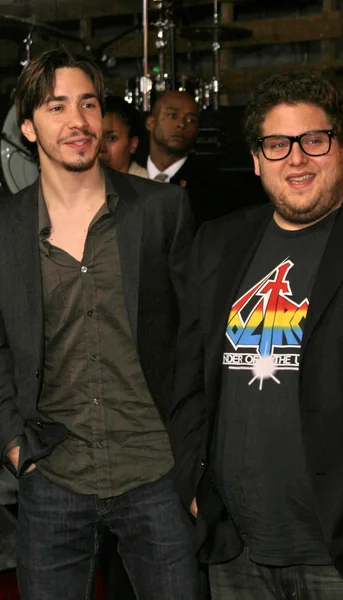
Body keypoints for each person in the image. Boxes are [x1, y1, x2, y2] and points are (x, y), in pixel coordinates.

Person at [168, 71, 343, 600]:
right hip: (239, 550)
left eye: (313, 140)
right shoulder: (219, 242)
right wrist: (193, 485)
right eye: (277, 144)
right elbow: (186, 380)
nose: (296, 159)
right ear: (256, 159)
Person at [0, 48, 202, 600]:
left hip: (156, 471)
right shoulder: (5, 228)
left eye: (88, 104)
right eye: (56, 106)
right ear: (28, 127)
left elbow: (196, 337)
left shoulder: (162, 211)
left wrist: (194, 455)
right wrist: (15, 446)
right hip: (53, 476)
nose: (77, 121)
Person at [146, 90, 228, 230]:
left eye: (191, 120)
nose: (181, 124)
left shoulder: (211, 186)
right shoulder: (128, 173)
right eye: (173, 115)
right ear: (151, 123)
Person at [99, 95, 148, 178]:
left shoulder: (151, 188)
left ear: (133, 144)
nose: (101, 148)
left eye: (112, 138)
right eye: (95, 137)